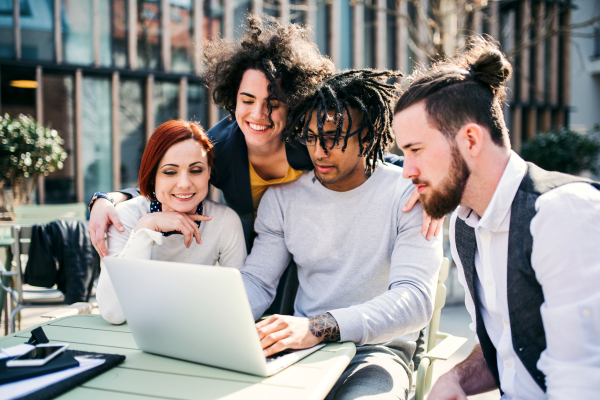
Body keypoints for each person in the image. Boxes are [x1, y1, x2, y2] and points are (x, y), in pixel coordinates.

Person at [88, 14, 441, 259]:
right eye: (247, 100)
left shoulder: (309, 138)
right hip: (257, 250)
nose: (258, 114)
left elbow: (369, 159)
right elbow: (172, 177)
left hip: (316, 245)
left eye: (273, 103)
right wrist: (108, 198)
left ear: (294, 104)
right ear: (232, 99)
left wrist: (427, 188)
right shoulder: (221, 149)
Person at [394, 38, 600, 399]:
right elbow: (505, 350)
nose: (406, 170)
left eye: (415, 150)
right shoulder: (465, 227)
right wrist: (456, 378)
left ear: (471, 139)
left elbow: (580, 381)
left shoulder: (561, 214)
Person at [242, 69, 443, 399]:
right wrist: (222, 323)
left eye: (333, 138)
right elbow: (258, 281)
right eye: (310, 136)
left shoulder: (409, 197)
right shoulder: (282, 198)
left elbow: (415, 300)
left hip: (376, 354)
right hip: (301, 352)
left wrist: (318, 327)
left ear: (366, 136)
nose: (319, 152)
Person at [96, 120, 246, 325]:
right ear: (152, 176)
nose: (184, 183)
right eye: (170, 172)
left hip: (198, 332)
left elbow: (238, 303)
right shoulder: (126, 217)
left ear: (209, 172)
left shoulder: (224, 221)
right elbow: (113, 312)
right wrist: (145, 229)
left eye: (196, 170)